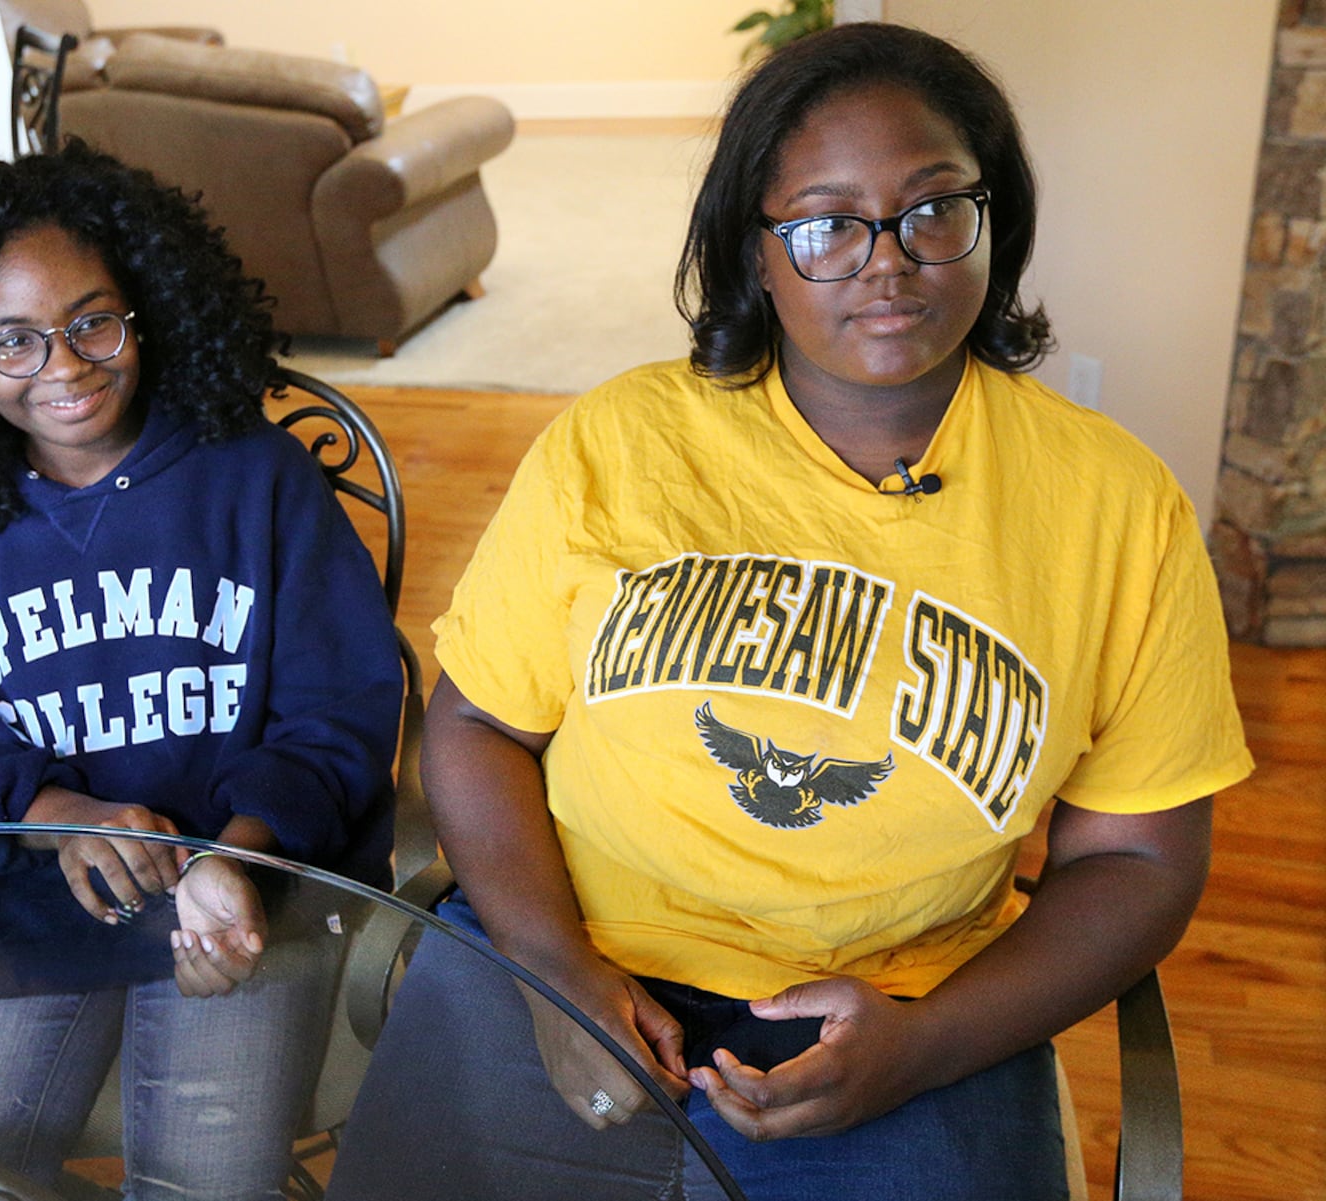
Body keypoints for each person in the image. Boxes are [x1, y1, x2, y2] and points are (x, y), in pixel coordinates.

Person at [326, 22, 1252, 1201]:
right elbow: (478, 727)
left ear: (993, 222)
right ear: (754, 254)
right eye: (824, 224)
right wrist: (551, 968)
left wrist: (930, 1047)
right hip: (567, 961)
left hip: (910, 1015)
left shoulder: (1117, 508)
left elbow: (1138, 853)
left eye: (933, 209)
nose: (889, 260)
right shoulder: (619, 444)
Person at [0, 139, 404, 1200]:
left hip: (252, 892)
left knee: (205, 1180)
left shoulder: (258, 478)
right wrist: (60, 811)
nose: (62, 367)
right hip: (27, 907)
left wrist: (233, 858)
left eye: (91, 321)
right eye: (12, 341)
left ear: (147, 308)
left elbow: (339, 719)